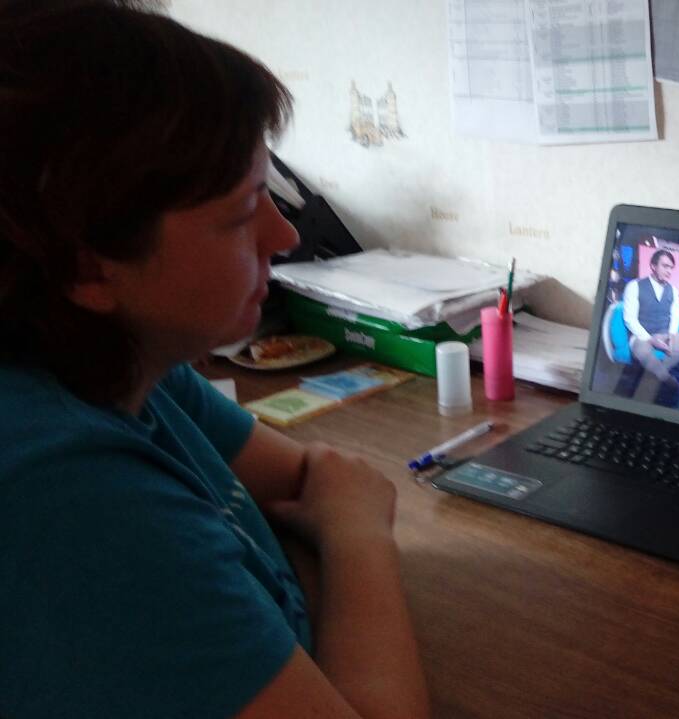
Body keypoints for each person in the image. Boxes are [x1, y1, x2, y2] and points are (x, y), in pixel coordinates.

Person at [0, 2, 430, 717]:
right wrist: (358, 538)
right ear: (88, 267)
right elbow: (343, 497)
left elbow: (310, 476)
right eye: (242, 212)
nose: (286, 236)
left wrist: (344, 508)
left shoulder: (124, 365)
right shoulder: (64, 494)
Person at [620, 248, 679, 390]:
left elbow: (676, 314)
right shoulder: (634, 286)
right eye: (665, 266)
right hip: (642, 335)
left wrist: (671, 335)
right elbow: (629, 318)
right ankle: (665, 377)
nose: (669, 271)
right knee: (642, 351)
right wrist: (650, 339)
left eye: (671, 268)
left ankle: (657, 372)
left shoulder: (673, 290)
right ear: (653, 266)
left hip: (664, 332)